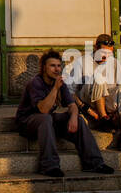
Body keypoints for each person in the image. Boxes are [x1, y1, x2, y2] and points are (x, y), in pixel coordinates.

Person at [15, 49, 114, 177]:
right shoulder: (36, 83)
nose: (56, 69)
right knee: (45, 118)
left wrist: (73, 116)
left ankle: (94, 163)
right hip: (27, 122)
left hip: (47, 122)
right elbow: (43, 109)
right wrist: (55, 88)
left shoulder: (60, 83)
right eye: (52, 66)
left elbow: (72, 104)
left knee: (77, 119)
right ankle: (49, 166)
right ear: (44, 67)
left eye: (58, 66)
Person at [75, 34, 121, 152]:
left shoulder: (113, 62)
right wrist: (86, 109)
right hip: (89, 98)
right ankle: (104, 119)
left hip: (107, 99)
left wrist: (119, 109)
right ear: (96, 49)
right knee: (99, 78)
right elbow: (72, 92)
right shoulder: (82, 62)